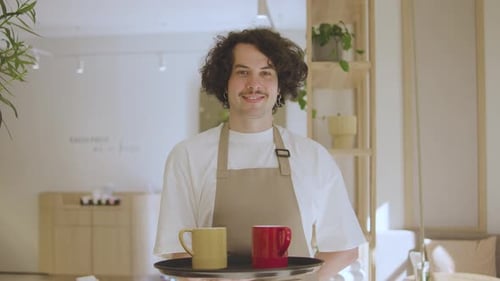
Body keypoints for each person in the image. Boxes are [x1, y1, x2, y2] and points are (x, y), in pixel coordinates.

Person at [154, 28, 366, 280]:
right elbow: (178, 252)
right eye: (242, 72)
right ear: (225, 82)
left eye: (266, 73)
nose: (254, 84)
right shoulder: (188, 156)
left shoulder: (313, 157)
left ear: (280, 85)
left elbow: (344, 249)